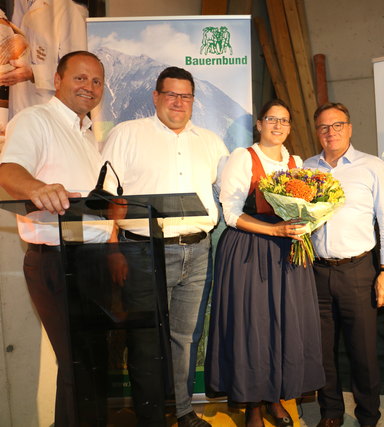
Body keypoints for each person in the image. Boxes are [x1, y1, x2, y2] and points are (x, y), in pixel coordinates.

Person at [101, 66, 229, 427]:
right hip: (143, 252)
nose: (178, 102)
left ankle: (184, 410)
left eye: (185, 96)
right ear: (155, 97)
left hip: (198, 250)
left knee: (185, 338)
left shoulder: (211, 141)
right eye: (170, 94)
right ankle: (151, 418)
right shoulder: (128, 134)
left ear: (193, 101)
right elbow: (106, 196)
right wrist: (112, 248)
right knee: (144, 338)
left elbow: (230, 191)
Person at [0, 50, 106, 427]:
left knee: (88, 362)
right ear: (58, 80)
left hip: (94, 261)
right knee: (81, 361)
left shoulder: (87, 134)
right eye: (80, 78)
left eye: (96, 81)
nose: (89, 87)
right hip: (58, 261)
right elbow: (9, 169)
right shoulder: (36, 120)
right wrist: (38, 188)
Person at [205, 99, 324, 427]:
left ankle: (276, 398)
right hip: (249, 250)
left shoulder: (297, 161)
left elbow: (303, 207)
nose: (278, 126)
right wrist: (273, 228)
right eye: (271, 119)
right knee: (253, 326)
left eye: (284, 121)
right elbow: (229, 213)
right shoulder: (243, 157)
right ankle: (252, 406)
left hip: (286, 251)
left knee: (283, 325)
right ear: (259, 124)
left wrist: (304, 223)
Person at [304, 102, 384, 427]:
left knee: (363, 353)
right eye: (324, 127)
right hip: (316, 272)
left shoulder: (371, 166)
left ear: (350, 128)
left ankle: (368, 415)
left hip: (359, 271)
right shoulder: (306, 168)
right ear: (317, 132)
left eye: (338, 125)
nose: (331, 133)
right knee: (322, 351)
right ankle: (331, 413)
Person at [0, 0, 89, 117]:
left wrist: (33, 73)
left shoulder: (68, 11)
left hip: (50, 114)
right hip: (18, 112)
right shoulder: (16, 5)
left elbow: (77, 71)